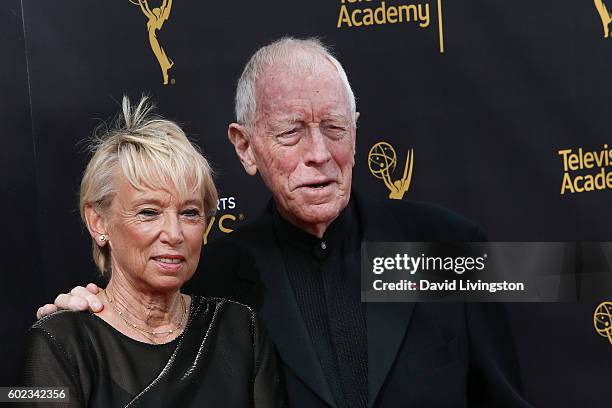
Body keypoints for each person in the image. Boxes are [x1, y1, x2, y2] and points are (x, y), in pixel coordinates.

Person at [38, 38, 531, 407]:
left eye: (335, 128)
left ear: (356, 131)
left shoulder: (450, 247)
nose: (319, 154)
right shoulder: (213, 281)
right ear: (246, 147)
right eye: (291, 132)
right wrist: (77, 325)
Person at [23, 96, 284, 407]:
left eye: (189, 213)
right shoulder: (61, 343)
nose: (174, 234)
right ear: (98, 221)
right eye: (149, 212)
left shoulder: (242, 331)